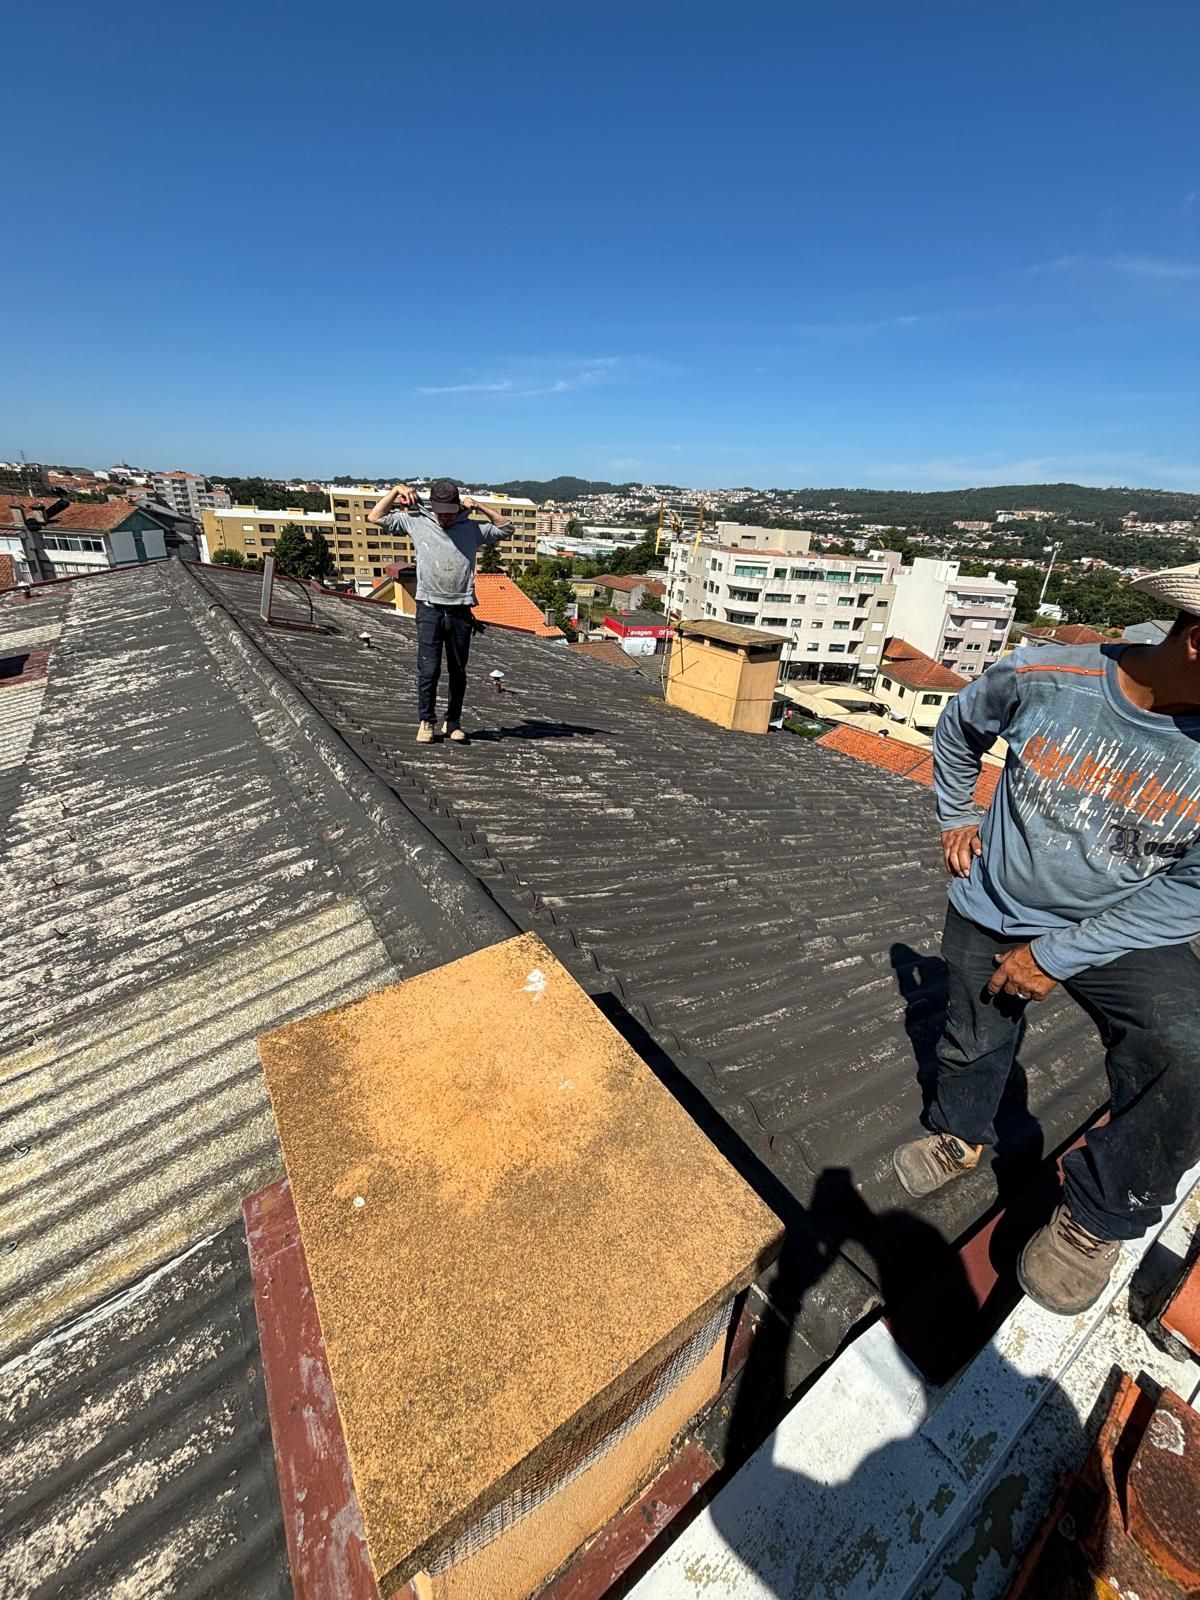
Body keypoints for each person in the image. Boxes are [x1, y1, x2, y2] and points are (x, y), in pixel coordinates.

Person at [892, 561, 1200, 1316]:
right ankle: (961, 1133)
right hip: (996, 903)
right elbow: (960, 728)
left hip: (1124, 926)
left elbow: (1192, 891)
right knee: (972, 1036)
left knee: (1192, 1046)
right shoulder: (1048, 676)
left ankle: (1100, 1212)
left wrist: (1057, 956)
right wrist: (955, 816)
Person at [369, 479, 509, 743]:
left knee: (458, 670)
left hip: (460, 611)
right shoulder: (416, 521)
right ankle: (426, 721)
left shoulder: (471, 528)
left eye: (449, 512)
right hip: (429, 609)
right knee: (428, 669)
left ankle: (452, 721)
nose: (444, 517)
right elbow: (375, 516)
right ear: (432, 507)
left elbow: (506, 527)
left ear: (458, 507)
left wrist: (478, 505)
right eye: (440, 512)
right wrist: (397, 490)